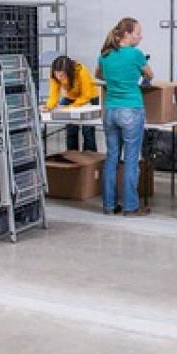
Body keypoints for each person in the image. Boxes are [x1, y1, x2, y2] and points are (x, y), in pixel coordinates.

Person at [96, 17, 154, 216]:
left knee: (111, 158)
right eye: (138, 33)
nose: (140, 36)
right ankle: (130, 207)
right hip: (131, 109)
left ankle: (109, 206)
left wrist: (116, 78)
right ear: (127, 34)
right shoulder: (136, 54)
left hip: (110, 110)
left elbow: (100, 75)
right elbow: (150, 74)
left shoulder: (105, 55)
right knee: (130, 159)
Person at [41, 55, 99, 152]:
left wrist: (71, 107)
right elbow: (54, 94)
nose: (59, 78)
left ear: (69, 72)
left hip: (90, 98)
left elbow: (86, 95)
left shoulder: (81, 71)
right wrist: (49, 106)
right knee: (71, 128)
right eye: (57, 75)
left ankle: (90, 159)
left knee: (88, 130)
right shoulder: (54, 76)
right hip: (71, 98)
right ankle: (72, 157)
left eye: (62, 75)